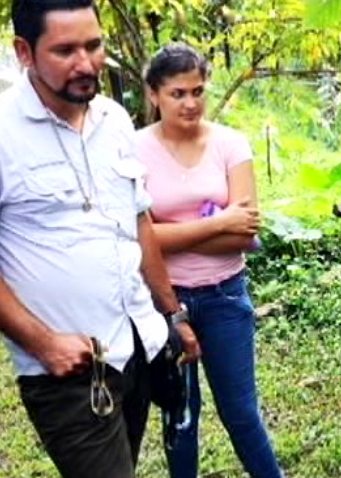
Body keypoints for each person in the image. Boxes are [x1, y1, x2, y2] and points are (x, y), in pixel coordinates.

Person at [0, 2, 200, 477]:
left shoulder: (112, 118)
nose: (86, 64)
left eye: (94, 45)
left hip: (136, 346)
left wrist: (172, 314)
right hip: (68, 368)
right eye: (65, 50)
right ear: (24, 52)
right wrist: (44, 344)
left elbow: (138, 222)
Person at [136, 43, 283, 478]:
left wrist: (164, 234)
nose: (190, 102)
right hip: (165, 302)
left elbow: (244, 233)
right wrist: (217, 224)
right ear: (153, 94)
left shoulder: (230, 144)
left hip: (225, 295)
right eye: (178, 93)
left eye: (197, 91)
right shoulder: (133, 149)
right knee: (180, 415)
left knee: (241, 413)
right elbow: (137, 238)